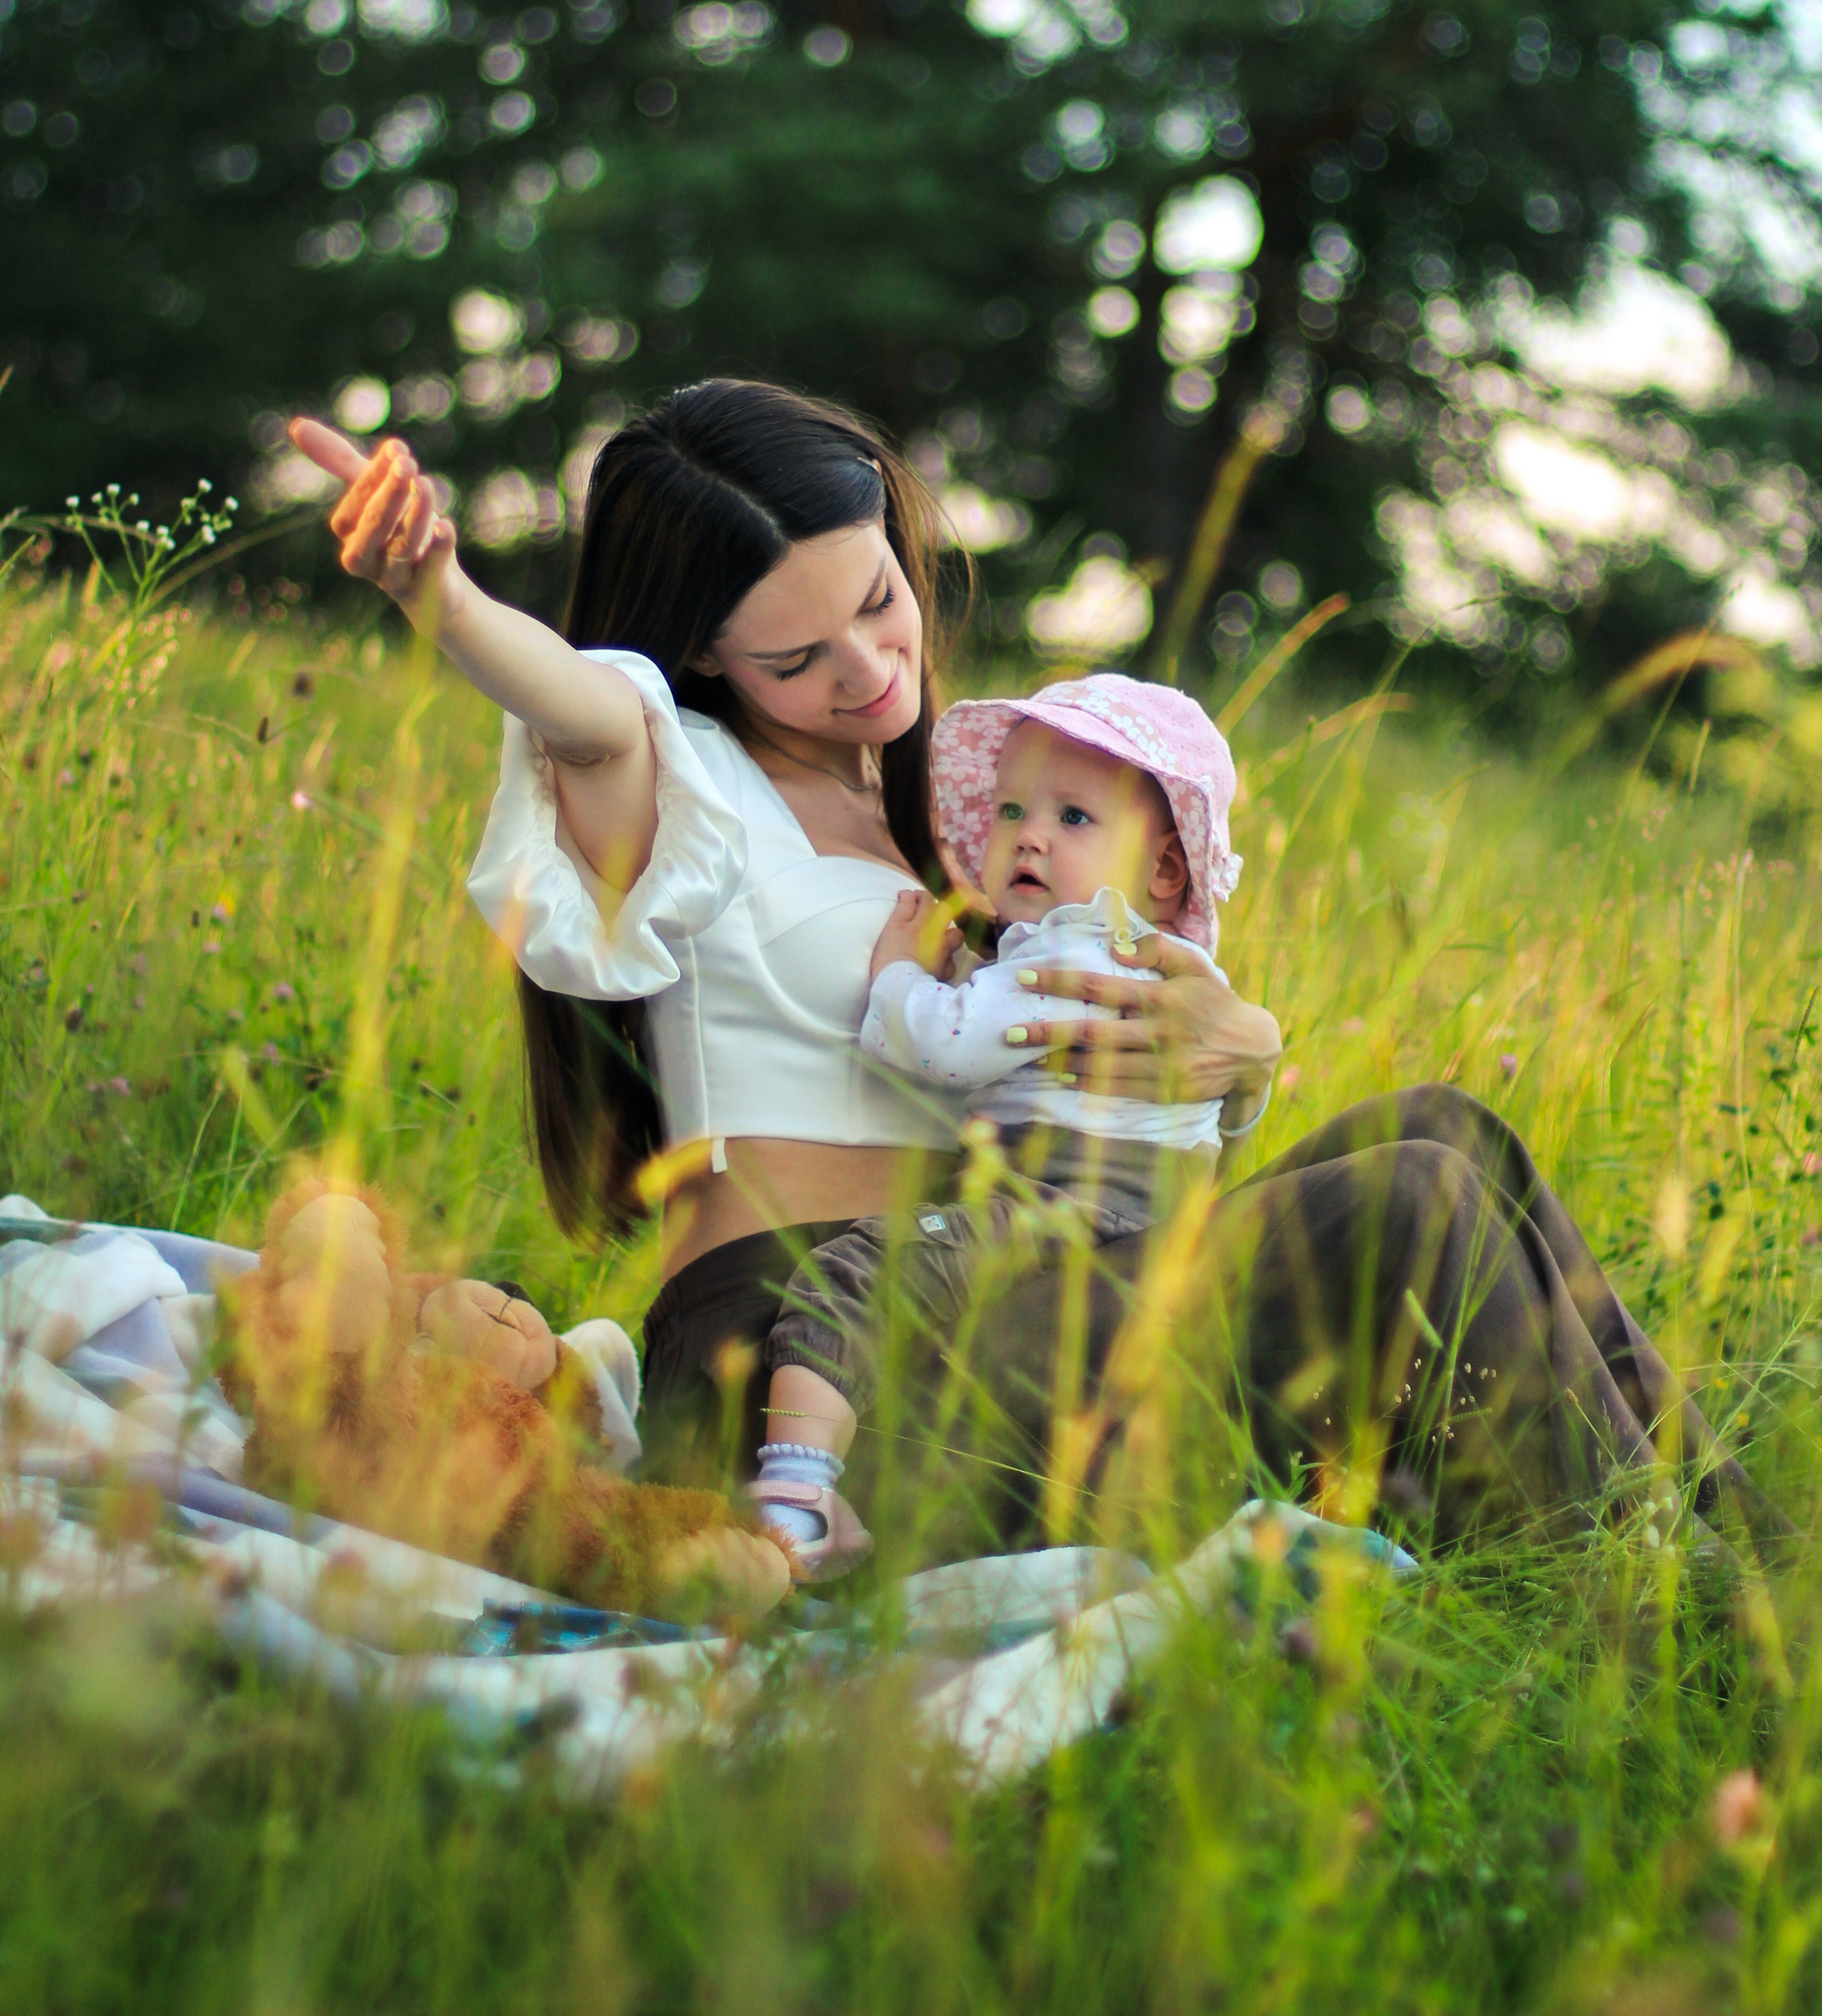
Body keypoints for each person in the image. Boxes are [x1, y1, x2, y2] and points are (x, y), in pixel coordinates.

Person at [289, 381, 1765, 1565]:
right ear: (707, 660)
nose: (868, 667)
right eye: (796, 655)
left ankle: (1747, 1563)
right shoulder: (685, 785)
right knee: (1408, 1206)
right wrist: (443, 595)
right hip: (806, 1359)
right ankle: (1654, 1608)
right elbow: (583, 700)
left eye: (878, 600)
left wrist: (1236, 1049)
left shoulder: (962, 812)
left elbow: (1087, 1082)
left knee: (1446, 1133)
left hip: (1019, 1285)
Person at [749, 674, 1269, 1572]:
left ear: (1163, 868)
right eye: (1010, 809)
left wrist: (898, 976)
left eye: (1074, 818)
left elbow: (940, 1048)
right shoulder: (1185, 975)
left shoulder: (1067, 950)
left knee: (857, 1272)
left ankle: (795, 1492)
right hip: (1162, 1223)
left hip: (1062, 1206)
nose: (1027, 832)